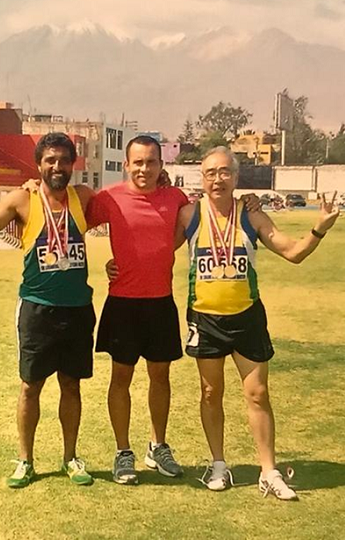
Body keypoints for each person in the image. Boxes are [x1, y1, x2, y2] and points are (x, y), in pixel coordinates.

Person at [175, 147, 340, 501]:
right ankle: (218, 464)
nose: (217, 179)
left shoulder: (252, 215)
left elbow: (293, 253)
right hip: (204, 317)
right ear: (201, 179)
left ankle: (269, 471)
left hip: (247, 317)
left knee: (258, 394)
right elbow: (155, 250)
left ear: (236, 177)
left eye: (224, 172)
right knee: (209, 392)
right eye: (210, 173)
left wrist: (319, 229)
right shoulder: (189, 215)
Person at [0, 132, 97, 489]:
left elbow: (128, 210)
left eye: (64, 160)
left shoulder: (83, 198)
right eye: (50, 160)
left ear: (73, 165)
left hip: (78, 309)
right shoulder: (21, 200)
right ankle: (25, 460)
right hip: (38, 309)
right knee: (30, 387)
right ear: (39, 164)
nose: (57, 166)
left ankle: (70, 457)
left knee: (71, 386)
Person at [87, 135, 192, 484]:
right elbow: (71, 217)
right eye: (138, 162)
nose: (144, 168)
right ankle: (122, 452)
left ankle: (157, 446)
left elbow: (192, 225)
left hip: (160, 302)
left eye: (151, 162)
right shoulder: (109, 198)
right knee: (121, 379)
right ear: (126, 164)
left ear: (161, 165)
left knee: (160, 378)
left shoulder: (176, 198)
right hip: (123, 304)